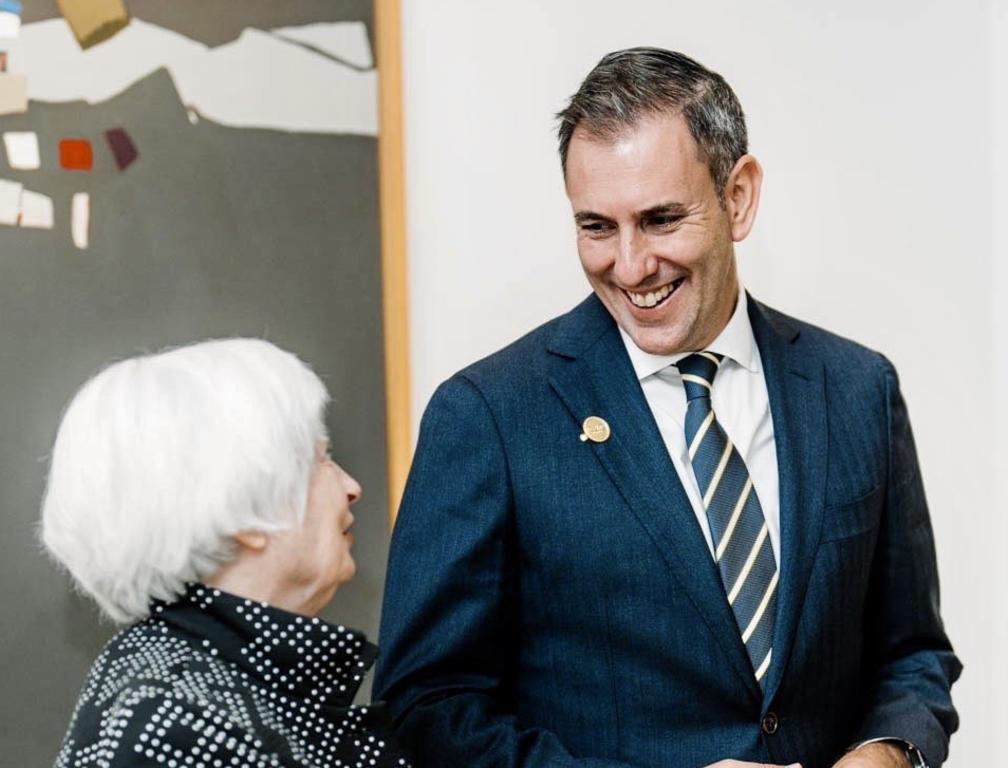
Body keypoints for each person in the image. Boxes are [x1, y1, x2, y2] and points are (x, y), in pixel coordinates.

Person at [373, 48, 960, 768]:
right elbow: (429, 706)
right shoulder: (489, 416)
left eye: (659, 220)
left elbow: (913, 654)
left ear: (738, 196)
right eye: (595, 227)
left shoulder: (857, 388)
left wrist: (890, 753)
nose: (628, 265)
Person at [41, 338, 409, 768]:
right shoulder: (175, 726)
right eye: (321, 461)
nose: (351, 488)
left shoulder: (192, 685)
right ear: (245, 514)